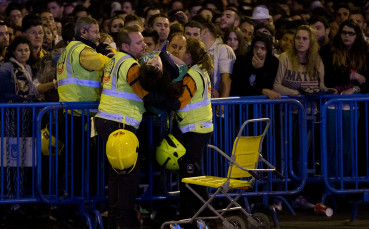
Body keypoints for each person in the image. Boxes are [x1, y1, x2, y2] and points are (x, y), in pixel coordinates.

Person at [95, 27, 179, 229]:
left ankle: (115, 223)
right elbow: (147, 94)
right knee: (127, 181)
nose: (144, 45)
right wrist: (175, 101)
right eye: (138, 43)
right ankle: (125, 224)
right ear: (125, 46)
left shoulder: (114, 60)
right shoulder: (129, 65)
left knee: (117, 178)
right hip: (120, 124)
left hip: (107, 122)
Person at [172, 38, 214, 225]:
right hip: (200, 129)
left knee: (191, 175)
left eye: (182, 49)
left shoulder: (192, 76)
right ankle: (191, 216)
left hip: (193, 131)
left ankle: (204, 216)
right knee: (192, 174)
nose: (179, 51)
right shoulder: (201, 71)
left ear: (189, 55)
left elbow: (180, 102)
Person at [320, 19, 369, 177]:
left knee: (348, 148)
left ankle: (345, 184)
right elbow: (328, 77)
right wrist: (351, 75)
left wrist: (355, 88)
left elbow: (366, 80)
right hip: (332, 106)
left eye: (351, 33)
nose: (346, 36)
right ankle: (330, 183)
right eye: (344, 33)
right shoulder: (329, 50)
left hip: (354, 107)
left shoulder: (364, 53)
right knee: (331, 146)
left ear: (357, 36)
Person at [273, 25, 326, 96]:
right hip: (290, 105)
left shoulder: (317, 59)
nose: (300, 41)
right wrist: (299, 94)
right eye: (298, 38)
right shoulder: (284, 57)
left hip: (311, 106)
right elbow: (276, 86)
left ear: (311, 42)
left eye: (304, 38)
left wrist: (328, 90)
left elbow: (321, 86)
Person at [231, 32, 280, 99]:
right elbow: (239, 88)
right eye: (256, 47)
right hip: (243, 105)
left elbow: (269, 86)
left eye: (263, 48)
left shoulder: (273, 62)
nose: (258, 51)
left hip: (263, 106)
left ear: (268, 50)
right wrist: (262, 91)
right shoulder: (242, 60)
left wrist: (260, 69)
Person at [198, 18, 235, 98]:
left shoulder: (223, 49)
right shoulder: (198, 52)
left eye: (196, 33)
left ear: (204, 31)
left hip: (217, 104)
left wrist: (222, 105)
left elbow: (226, 80)